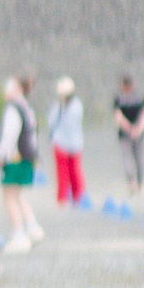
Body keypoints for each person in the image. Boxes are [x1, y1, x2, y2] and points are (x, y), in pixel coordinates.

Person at [0, 73, 44, 252]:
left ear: (18, 88)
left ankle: (18, 233)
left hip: (15, 156)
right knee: (16, 194)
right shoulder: (26, 107)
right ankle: (32, 227)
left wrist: (1, 155)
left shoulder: (13, 108)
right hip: (27, 156)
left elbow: (10, 134)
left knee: (8, 195)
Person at [47, 77, 86, 207]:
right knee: (66, 172)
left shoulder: (65, 106)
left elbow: (51, 122)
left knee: (71, 172)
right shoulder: (70, 105)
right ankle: (68, 198)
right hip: (67, 143)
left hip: (68, 143)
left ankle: (74, 198)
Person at [113, 75, 144, 195]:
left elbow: (118, 117)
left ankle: (131, 182)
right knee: (139, 158)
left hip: (125, 134)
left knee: (127, 158)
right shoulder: (140, 98)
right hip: (138, 133)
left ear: (123, 85)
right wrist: (138, 128)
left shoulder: (119, 99)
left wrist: (129, 129)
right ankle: (141, 184)